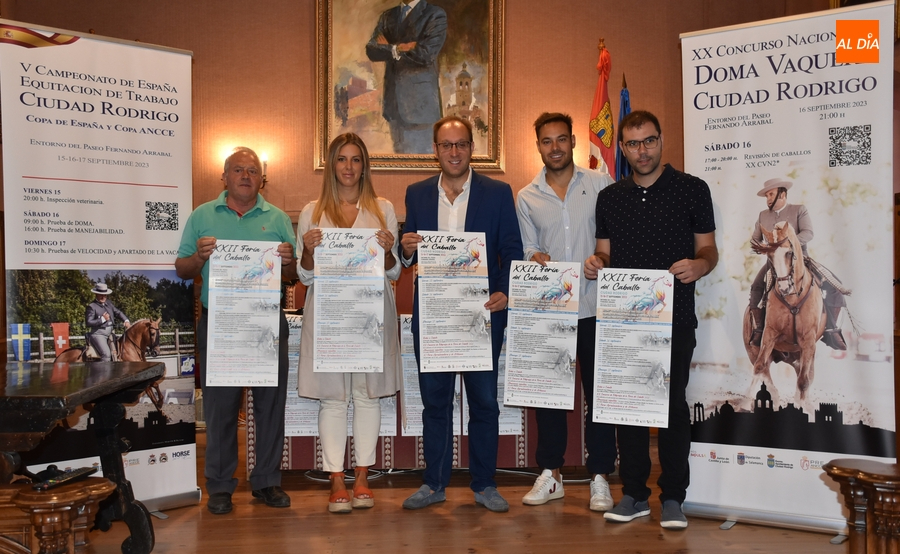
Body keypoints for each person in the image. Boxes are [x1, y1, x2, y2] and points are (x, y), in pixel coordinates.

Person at [584, 110, 718, 529]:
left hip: (675, 316)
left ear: (661, 141)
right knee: (629, 410)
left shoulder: (692, 189)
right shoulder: (610, 197)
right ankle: (635, 495)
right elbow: (604, 252)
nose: (642, 151)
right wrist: (596, 262)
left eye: (649, 141)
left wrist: (700, 266)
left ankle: (674, 497)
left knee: (673, 408)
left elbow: (709, 250)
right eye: (632, 144)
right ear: (621, 148)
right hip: (623, 320)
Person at [400, 115, 523, 512]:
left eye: (461, 144)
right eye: (446, 145)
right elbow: (409, 255)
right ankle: (433, 483)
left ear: (473, 148)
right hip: (436, 318)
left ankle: (484, 484)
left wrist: (505, 290)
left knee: (484, 404)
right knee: (435, 404)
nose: (454, 152)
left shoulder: (499, 192)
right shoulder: (416, 194)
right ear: (435, 150)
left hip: (482, 317)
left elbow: (512, 250)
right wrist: (404, 248)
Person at [175, 147, 297, 515]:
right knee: (220, 407)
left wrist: (289, 263)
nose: (246, 175)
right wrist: (198, 257)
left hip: (266, 321)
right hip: (220, 322)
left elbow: (292, 277)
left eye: (253, 171)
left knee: (270, 406)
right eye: (238, 170)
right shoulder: (202, 216)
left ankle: (267, 482)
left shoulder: (277, 218)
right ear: (224, 177)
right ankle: (221, 485)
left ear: (262, 179)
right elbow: (182, 268)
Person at [515, 112, 617, 511]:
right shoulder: (526, 196)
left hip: (597, 307)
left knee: (600, 398)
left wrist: (603, 259)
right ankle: (551, 474)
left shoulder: (600, 183)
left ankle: (600, 476)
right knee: (550, 398)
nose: (554, 147)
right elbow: (524, 249)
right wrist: (534, 256)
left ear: (573, 141)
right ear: (537, 145)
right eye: (546, 141)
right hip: (550, 313)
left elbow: (614, 239)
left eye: (561, 139)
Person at [297, 133, 402, 513]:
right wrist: (308, 252)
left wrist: (390, 249)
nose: (348, 167)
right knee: (333, 396)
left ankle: (361, 476)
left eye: (356, 160)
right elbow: (304, 276)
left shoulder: (382, 208)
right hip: (329, 314)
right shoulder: (312, 211)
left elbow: (394, 272)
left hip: (371, 315)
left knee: (367, 394)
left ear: (364, 166)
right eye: (342, 159)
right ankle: (336, 477)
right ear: (332, 165)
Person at [747, 178, 847, 349]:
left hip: (801, 260)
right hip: (774, 264)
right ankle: (759, 330)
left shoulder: (799, 210)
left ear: (783, 194)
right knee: (756, 286)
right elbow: (755, 239)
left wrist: (789, 245)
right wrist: (763, 248)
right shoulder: (763, 215)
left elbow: (808, 233)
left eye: (771, 194)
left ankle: (831, 329)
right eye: (767, 196)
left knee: (835, 285)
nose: (768, 198)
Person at [365, 0, 447, 154]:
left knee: (421, 166)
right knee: (399, 164)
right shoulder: (388, 16)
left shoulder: (435, 14)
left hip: (421, 109)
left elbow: (426, 54)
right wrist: (400, 47)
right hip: (393, 106)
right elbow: (372, 50)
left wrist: (388, 47)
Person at [85, 282, 131, 361]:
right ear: (96, 294)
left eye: (105, 295)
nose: (103, 297)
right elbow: (88, 322)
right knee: (106, 354)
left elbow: (118, 312)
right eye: (101, 295)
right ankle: (102, 373)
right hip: (98, 335)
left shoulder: (109, 304)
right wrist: (102, 319)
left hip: (110, 334)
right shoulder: (92, 306)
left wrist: (126, 320)